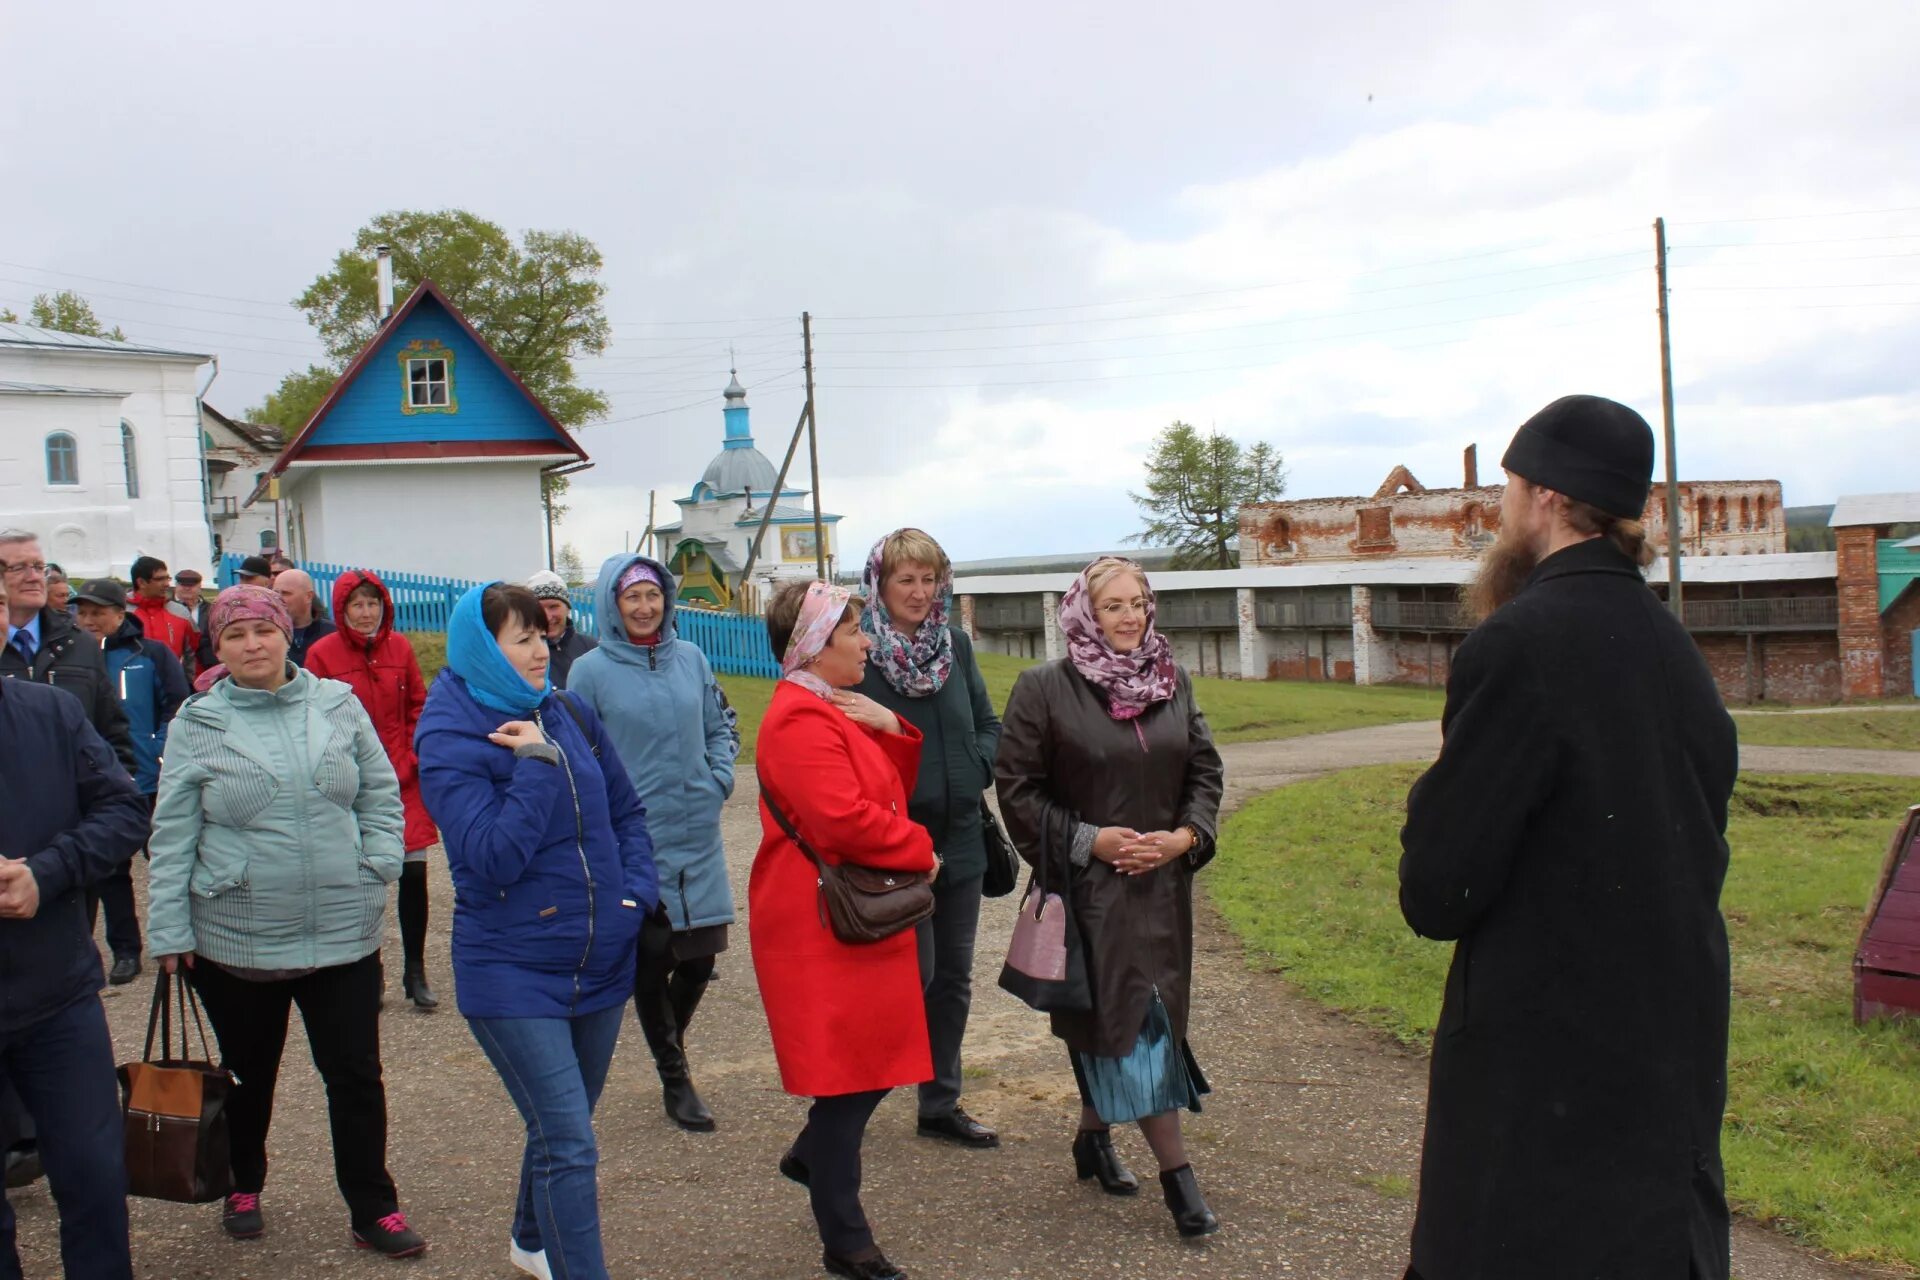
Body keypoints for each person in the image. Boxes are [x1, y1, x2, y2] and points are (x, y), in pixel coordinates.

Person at [1396, 395, 1740, 1280]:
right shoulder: (1677, 650)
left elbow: (1438, 892)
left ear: (1544, 496)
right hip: (1667, 1058)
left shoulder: (1518, 645)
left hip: (1544, 1079)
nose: (1504, 507)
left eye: (1510, 486)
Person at [146, 585, 426, 1257]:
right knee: (248, 1074)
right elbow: (173, 831)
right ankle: (244, 1181)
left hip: (342, 930)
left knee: (356, 1075)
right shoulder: (199, 722)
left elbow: (379, 790)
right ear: (217, 648)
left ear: (284, 637)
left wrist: (380, 860)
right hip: (239, 934)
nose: (252, 646)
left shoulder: (336, 705)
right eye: (235, 636)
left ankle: (373, 1205)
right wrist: (168, 930)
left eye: (263, 632)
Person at [416, 581, 657, 1280]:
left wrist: (632, 901)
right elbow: (491, 858)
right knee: (570, 1141)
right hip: (512, 971)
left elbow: (627, 815)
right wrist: (535, 765)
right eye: (521, 639)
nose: (541, 648)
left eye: (541, 635)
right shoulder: (449, 735)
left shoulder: (567, 710)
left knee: (563, 1126)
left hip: (603, 957)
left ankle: (530, 1239)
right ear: (480, 650)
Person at [995, 555, 1225, 1238]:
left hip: (1164, 891)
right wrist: (1089, 840)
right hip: (1091, 895)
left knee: (1136, 1022)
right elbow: (1016, 788)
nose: (1130, 618)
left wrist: (1185, 838)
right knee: (1134, 1023)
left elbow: (1205, 770)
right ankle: (1179, 1180)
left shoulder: (1171, 681)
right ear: (1083, 615)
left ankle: (1093, 1138)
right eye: (1113, 607)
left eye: (1138, 603)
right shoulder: (1044, 688)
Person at [753, 580, 938, 1280]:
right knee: (851, 1076)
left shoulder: (827, 706)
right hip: (817, 924)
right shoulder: (799, 719)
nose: (866, 641)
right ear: (814, 644)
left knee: (869, 1066)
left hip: (841, 917)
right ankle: (845, 1241)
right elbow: (843, 820)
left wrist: (888, 726)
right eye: (854, 631)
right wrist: (921, 849)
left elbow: (877, 792)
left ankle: (811, 1158)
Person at [0, 584, 149, 1280]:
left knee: (92, 1178)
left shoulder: (51, 713)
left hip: (55, 996)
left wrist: (46, 872)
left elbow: (122, 814)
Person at [566, 554, 735, 1132]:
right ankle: (675, 1076)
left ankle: (671, 1045)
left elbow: (719, 728)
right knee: (651, 957)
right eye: (631, 597)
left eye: (652, 595)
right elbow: (579, 755)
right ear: (612, 604)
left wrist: (718, 779)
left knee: (701, 955)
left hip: (697, 827)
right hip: (633, 837)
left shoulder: (692, 659)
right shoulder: (589, 672)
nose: (644, 607)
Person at [853, 529, 1002, 1149]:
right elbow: (850, 754)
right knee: (907, 980)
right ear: (880, 587)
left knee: (953, 981)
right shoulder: (859, 654)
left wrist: (976, 764)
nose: (918, 592)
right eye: (904, 580)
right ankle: (847, 1110)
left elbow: (990, 725)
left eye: (928, 579)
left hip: (961, 840)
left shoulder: (957, 647)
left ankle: (939, 1103)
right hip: (897, 847)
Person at [306, 570, 440, 1009]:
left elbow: (418, 704)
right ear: (342, 610)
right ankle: (371, 968)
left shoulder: (399, 648)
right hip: (352, 783)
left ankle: (415, 971)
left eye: (373, 604)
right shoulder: (322, 654)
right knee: (364, 879)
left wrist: (412, 755)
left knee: (414, 874)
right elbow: (313, 717)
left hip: (403, 779)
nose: (366, 614)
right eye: (356, 605)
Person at [73, 577, 188, 985]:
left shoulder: (151, 654)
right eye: (82, 612)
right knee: (110, 872)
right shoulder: (73, 658)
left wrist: (159, 748)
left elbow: (177, 701)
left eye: (97, 612)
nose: (88, 620)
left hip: (150, 777)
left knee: (166, 860)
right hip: (101, 782)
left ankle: (178, 939)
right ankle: (125, 950)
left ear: (120, 614)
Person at [0, 529, 135, 773]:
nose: (34, 577)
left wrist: (117, 796)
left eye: (39, 567)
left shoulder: (79, 643)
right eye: (19, 568)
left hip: (77, 803)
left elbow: (112, 731)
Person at [528, 569, 598, 689]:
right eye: (538, 608)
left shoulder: (592, 649)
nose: (547, 616)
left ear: (568, 608)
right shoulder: (524, 655)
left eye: (553, 606)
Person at [129, 555, 198, 665]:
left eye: (167, 578)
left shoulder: (180, 612)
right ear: (141, 582)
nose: (167, 584)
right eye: (160, 579)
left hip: (172, 680)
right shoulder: (121, 612)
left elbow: (194, 652)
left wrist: (186, 681)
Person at [275, 568, 336, 667]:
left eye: (286, 593)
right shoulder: (269, 635)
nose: (279, 598)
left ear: (308, 596)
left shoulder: (331, 633)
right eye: (276, 593)